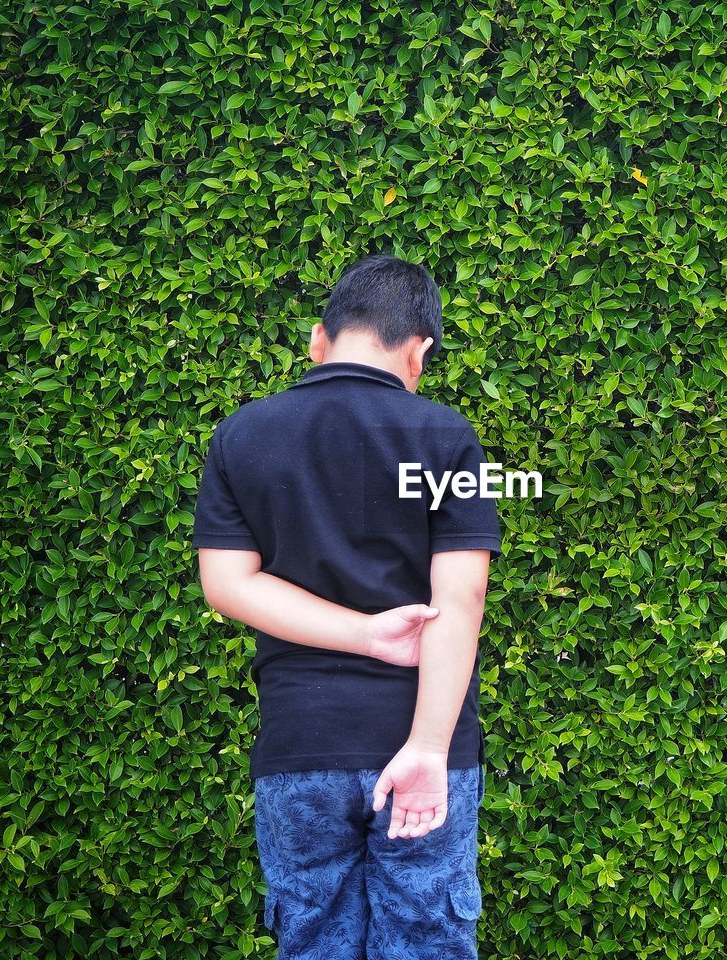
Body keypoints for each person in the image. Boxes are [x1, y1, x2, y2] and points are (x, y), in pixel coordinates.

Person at [191, 253, 500, 959]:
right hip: (422, 747)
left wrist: (364, 634)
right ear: (420, 351)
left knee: (313, 939)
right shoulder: (444, 439)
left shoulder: (243, 434)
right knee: (426, 940)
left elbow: (228, 585)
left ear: (317, 339)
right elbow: (463, 595)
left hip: (301, 744)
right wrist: (425, 746)